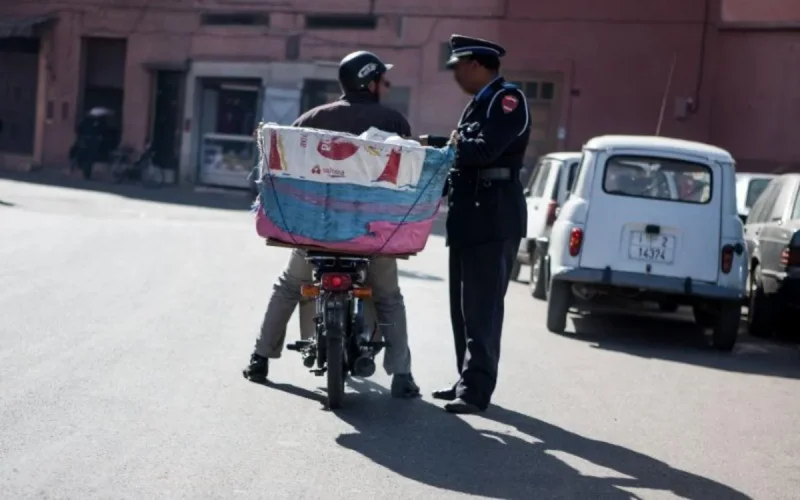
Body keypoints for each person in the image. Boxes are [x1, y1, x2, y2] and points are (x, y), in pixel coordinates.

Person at [242, 50, 421, 399]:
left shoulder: (310, 118)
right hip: (373, 235)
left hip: (316, 234)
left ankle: (260, 358)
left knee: (288, 287)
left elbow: (283, 169)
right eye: (381, 79)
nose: (383, 85)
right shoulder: (394, 122)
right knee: (388, 298)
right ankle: (402, 375)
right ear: (369, 82)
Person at [423, 35, 531, 414]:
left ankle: (477, 389)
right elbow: (462, 149)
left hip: (494, 212)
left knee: (483, 307)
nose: (455, 76)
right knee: (463, 307)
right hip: (470, 213)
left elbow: (484, 150)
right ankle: (464, 378)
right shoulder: (476, 105)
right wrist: (429, 143)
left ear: (477, 65)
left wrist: (441, 147)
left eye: (458, 67)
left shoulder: (507, 101)